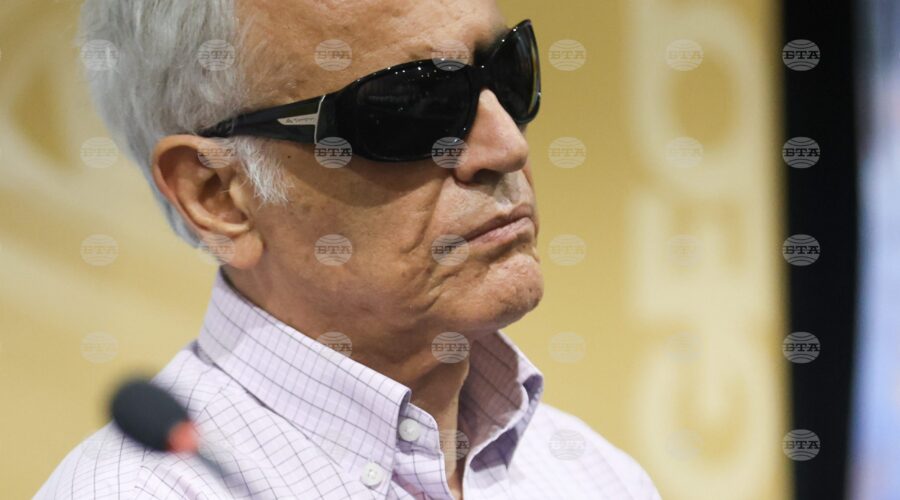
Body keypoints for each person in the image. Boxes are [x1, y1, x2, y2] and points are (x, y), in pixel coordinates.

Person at [38, 0, 660, 498]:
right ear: (219, 195)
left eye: (506, 74)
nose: (506, 147)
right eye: (412, 105)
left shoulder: (593, 476)